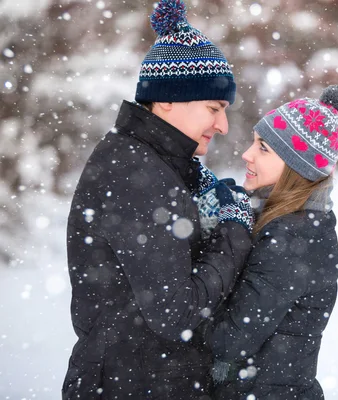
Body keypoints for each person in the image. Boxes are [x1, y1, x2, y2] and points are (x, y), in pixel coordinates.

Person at [62, 0, 253, 398]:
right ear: (168, 98)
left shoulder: (152, 163)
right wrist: (233, 231)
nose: (222, 124)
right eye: (214, 108)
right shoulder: (137, 174)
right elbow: (175, 313)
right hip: (131, 386)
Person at [205, 85, 338, 399]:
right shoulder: (288, 222)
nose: (247, 154)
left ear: (296, 169)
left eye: (264, 148)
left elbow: (230, 340)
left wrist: (181, 307)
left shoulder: (293, 237)